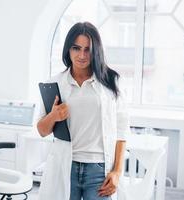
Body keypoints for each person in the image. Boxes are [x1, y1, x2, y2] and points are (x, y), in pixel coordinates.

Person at [37, 22, 130, 200]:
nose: (81, 55)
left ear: (96, 51)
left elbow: (122, 130)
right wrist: (54, 116)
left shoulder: (111, 82)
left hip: (99, 172)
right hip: (65, 167)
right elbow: (42, 130)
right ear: (68, 50)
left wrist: (117, 172)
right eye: (76, 48)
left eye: (88, 49)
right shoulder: (55, 83)